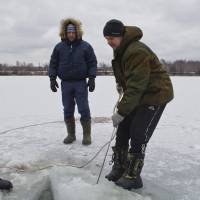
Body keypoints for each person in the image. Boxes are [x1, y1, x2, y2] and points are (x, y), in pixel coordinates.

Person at [103, 19, 174, 190]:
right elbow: (128, 78)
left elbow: (136, 86)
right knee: (123, 129)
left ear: (120, 36)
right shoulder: (121, 50)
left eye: (111, 38)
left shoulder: (136, 51)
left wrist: (121, 111)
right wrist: (120, 85)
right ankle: (119, 167)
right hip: (139, 95)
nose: (109, 42)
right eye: (106, 38)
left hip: (155, 94)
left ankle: (133, 175)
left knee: (138, 132)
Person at [48, 18, 97, 145]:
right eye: (68, 32)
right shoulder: (59, 47)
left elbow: (92, 63)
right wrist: (52, 78)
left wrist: (92, 78)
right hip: (66, 84)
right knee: (67, 109)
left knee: (84, 108)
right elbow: (53, 64)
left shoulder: (85, 46)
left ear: (77, 32)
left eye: (73, 32)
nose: (71, 35)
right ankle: (71, 134)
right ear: (65, 33)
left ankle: (87, 135)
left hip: (80, 83)